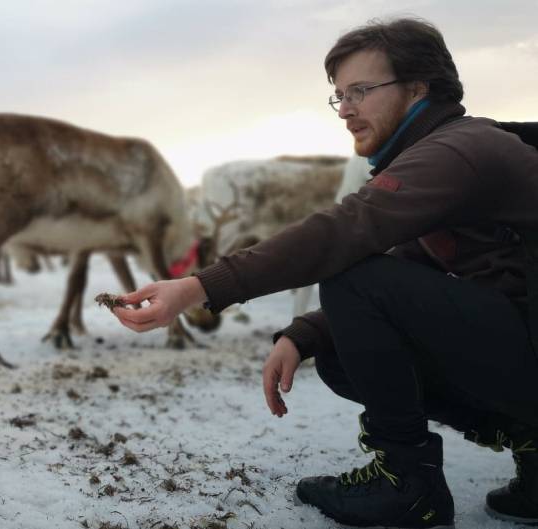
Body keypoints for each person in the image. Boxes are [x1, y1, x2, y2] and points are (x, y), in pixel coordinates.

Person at [110, 17, 538, 529]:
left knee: (351, 275)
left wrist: (199, 286)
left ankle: (406, 483)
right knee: (334, 349)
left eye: (361, 90)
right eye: (339, 95)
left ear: (420, 87)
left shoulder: (457, 150)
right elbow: (414, 265)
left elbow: (344, 230)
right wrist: (304, 332)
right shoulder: (450, 153)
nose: (347, 108)